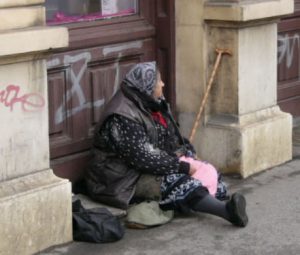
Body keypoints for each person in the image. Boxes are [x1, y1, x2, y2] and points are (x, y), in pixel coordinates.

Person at [85, 61, 248, 227]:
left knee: (210, 173)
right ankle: (227, 212)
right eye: (158, 81)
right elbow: (144, 158)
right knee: (181, 182)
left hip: (144, 167)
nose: (163, 84)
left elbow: (170, 137)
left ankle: (194, 200)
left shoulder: (150, 102)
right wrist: (182, 167)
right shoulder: (121, 116)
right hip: (121, 180)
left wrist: (187, 152)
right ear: (146, 86)